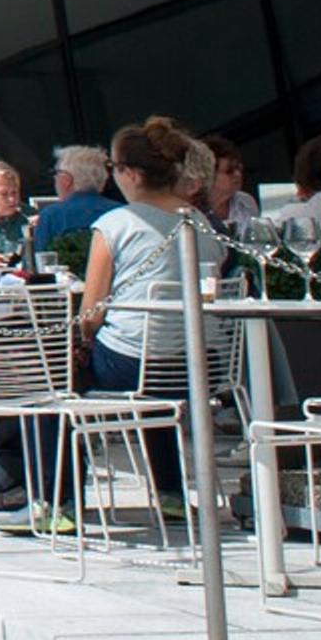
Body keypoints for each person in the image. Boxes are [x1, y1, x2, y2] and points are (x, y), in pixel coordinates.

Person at [72, 127, 204, 520]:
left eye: (112, 167)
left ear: (129, 173)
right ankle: (171, 494)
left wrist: (83, 336)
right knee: (152, 366)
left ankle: (57, 500)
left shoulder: (115, 224)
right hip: (200, 366)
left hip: (135, 364)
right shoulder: (200, 221)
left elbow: (90, 315)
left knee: (52, 381)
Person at [27, 144, 118, 261]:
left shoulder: (51, 216)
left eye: (56, 173)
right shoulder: (123, 213)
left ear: (66, 180)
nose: (54, 179)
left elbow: (41, 264)